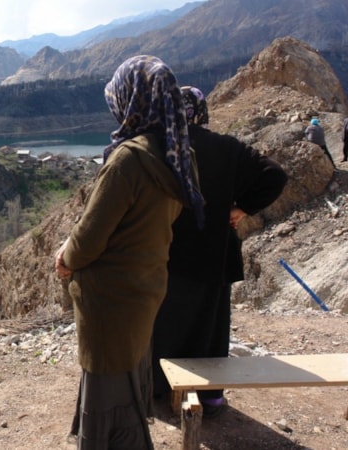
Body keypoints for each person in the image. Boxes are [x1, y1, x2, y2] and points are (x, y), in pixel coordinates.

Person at [55, 55, 204, 449]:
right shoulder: (177, 154)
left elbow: (89, 239)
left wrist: (65, 259)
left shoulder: (128, 160)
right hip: (145, 287)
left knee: (107, 386)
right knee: (129, 376)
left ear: (132, 99)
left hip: (109, 299)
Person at [151, 86, 287, 417]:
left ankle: (160, 388)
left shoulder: (161, 147)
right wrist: (242, 208)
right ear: (202, 112)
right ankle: (209, 395)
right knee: (210, 325)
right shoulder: (227, 148)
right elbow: (275, 174)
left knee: (166, 321)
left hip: (170, 252)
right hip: (215, 253)